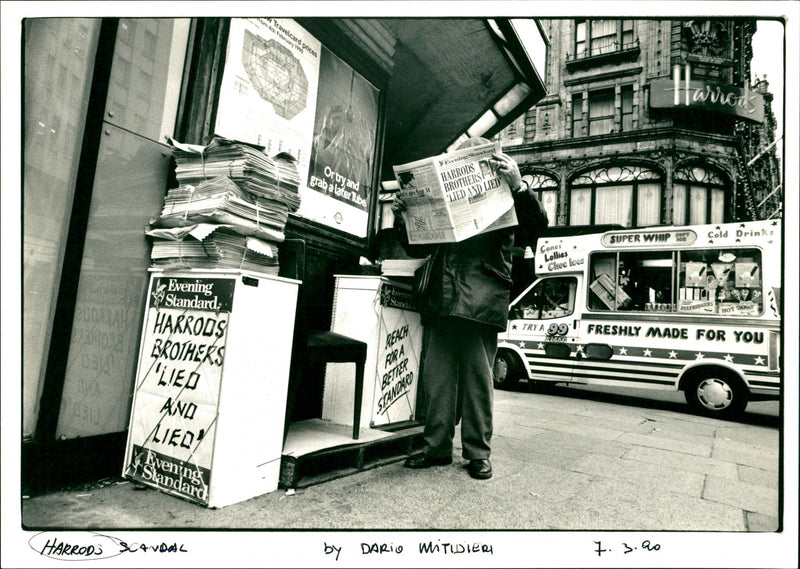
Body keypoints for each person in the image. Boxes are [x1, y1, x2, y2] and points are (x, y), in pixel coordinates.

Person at [392, 137, 548, 479]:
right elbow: (417, 245)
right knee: (438, 380)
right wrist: (403, 216)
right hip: (445, 297)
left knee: (478, 381)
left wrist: (519, 187)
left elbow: (538, 227)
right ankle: (437, 448)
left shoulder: (509, 193)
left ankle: (478, 452)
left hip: (481, 295)